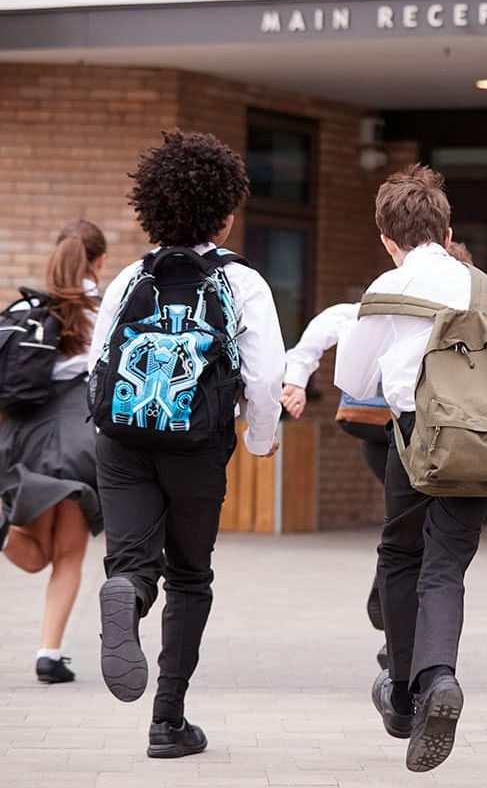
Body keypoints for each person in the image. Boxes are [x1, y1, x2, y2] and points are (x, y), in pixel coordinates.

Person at [88, 131, 285, 759]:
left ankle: (129, 591)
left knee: (132, 559)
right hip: (196, 443)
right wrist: (259, 439)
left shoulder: (128, 277)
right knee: (191, 576)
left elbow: (99, 364)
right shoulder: (242, 283)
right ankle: (167, 723)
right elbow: (265, 373)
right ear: (224, 216)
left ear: (154, 210)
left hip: (120, 440)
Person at [335, 166, 487, 772]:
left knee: (400, 553)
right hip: (483, 439)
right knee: (445, 565)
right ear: (448, 231)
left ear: (389, 240)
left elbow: (356, 382)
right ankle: (438, 675)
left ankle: (400, 693)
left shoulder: (386, 289)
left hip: (416, 434)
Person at [281, 241, 478, 671]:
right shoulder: (478, 306)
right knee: (424, 544)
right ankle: (408, 647)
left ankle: (397, 635)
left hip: (387, 433)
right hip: (418, 437)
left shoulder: (390, 298)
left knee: (407, 538)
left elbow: (333, 345)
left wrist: (297, 380)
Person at [0, 220, 107, 684]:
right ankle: (49, 651)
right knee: (65, 556)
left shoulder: (26, 307)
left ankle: (50, 653)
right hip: (78, 438)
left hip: (23, 438)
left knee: (36, 551)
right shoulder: (102, 311)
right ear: (99, 261)